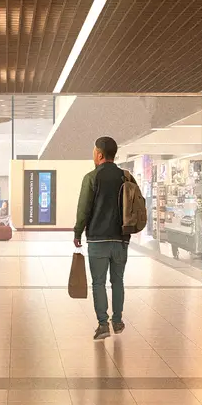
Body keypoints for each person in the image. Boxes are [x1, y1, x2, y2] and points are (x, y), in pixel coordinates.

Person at [73, 136, 129, 339]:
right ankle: (118, 320)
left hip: (98, 239)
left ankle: (103, 324)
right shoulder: (125, 177)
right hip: (121, 239)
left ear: (99, 154)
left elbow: (83, 209)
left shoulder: (91, 177)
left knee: (98, 282)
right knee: (118, 281)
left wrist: (78, 231)